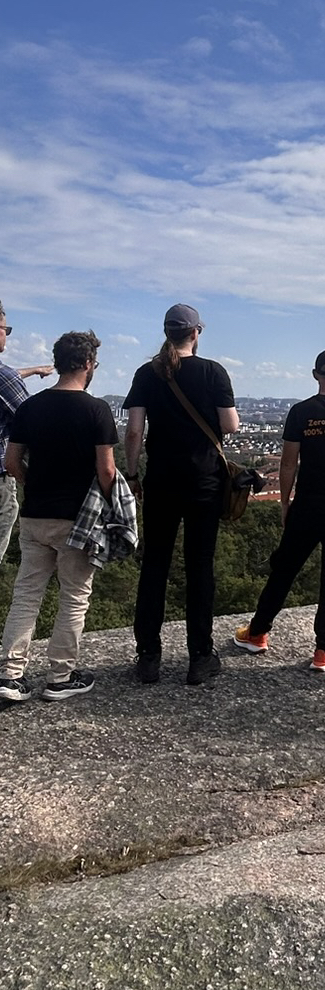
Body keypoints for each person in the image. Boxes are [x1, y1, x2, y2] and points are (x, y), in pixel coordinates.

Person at [234, 350, 325, 672]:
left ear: (314, 375)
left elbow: (288, 463)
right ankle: (324, 650)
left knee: (284, 567)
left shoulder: (301, 412)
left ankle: (257, 633)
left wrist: (285, 502)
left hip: (309, 503)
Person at [124, 304, 239, 687]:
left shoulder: (147, 373)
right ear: (196, 333)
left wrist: (133, 472)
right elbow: (230, 425)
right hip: (203, 482)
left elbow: (134, 432)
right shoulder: (213, 372)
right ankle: (200, 657)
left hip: (160, 481)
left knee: (155, 564)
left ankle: (148, 658)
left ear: (167, 332)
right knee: (199, 566)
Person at [0, 331, 117, 703]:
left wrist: (35, 483)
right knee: (74, 597)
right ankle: (60, 677)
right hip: (77, 518)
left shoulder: (30, 408)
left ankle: (9, 674)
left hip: (35, 515)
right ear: (87, 364)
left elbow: (10, 462)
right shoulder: (96, 410)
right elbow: (107, 472)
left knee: (26, 595)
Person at [0, 301, 55, 562]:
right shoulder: (5, 378)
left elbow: (8, 377)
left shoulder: (7, 377)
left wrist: (33, 370)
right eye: (4, 329)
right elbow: (33, 421)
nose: (6, 335)